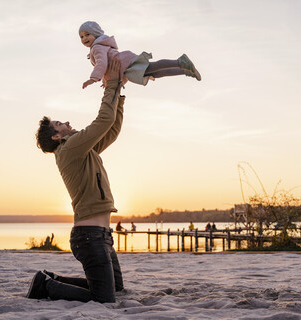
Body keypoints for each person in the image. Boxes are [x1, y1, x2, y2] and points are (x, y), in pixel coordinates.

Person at [27, 60, 125, 303]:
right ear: (57, 136)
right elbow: (102, 121)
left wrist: (118, 93)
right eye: (60, 124)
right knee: (104, 299)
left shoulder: (81, 151)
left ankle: (49, 278)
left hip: (101, 235)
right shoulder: (70, 147)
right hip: (89, 236)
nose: (67, 123)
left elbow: (110, 129)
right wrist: (110, 85)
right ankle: (47, 286)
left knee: (116, 288)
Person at [79, 21, 201, 89]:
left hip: (126, 64)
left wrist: (93, 78)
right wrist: (108, 81)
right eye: (81, 36)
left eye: (87, 34)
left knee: (154, 67)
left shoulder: (97, 47)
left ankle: (180, 62)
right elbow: (109, 69)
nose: (84, 38)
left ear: (95, 34)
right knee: (156, 73)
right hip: (126, 66)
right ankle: (185, 70)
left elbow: (102, 63)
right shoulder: (100, 46)